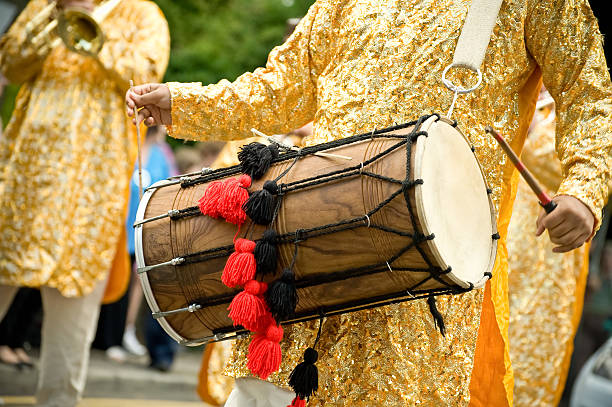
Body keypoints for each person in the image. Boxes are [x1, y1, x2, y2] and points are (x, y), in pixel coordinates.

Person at [126, 0, 611, 405]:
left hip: (427, 283)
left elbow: (591, 92)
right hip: (308, 253)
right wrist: (185, 102)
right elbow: (281, 89)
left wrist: (586, 190)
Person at [0, 0, 170, 405]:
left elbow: (145, 79)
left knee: (71, 324)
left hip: (89, 192)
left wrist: (88, 20)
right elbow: (11, 63)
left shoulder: (144, 14)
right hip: (24, 180)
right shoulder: (45, 5)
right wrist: (53, 17)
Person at [506, 88, 591, 406]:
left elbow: (577, 169)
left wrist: (529, 128)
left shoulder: (580, 104)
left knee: (528, 348)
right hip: (499, 240)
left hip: (546, 257)